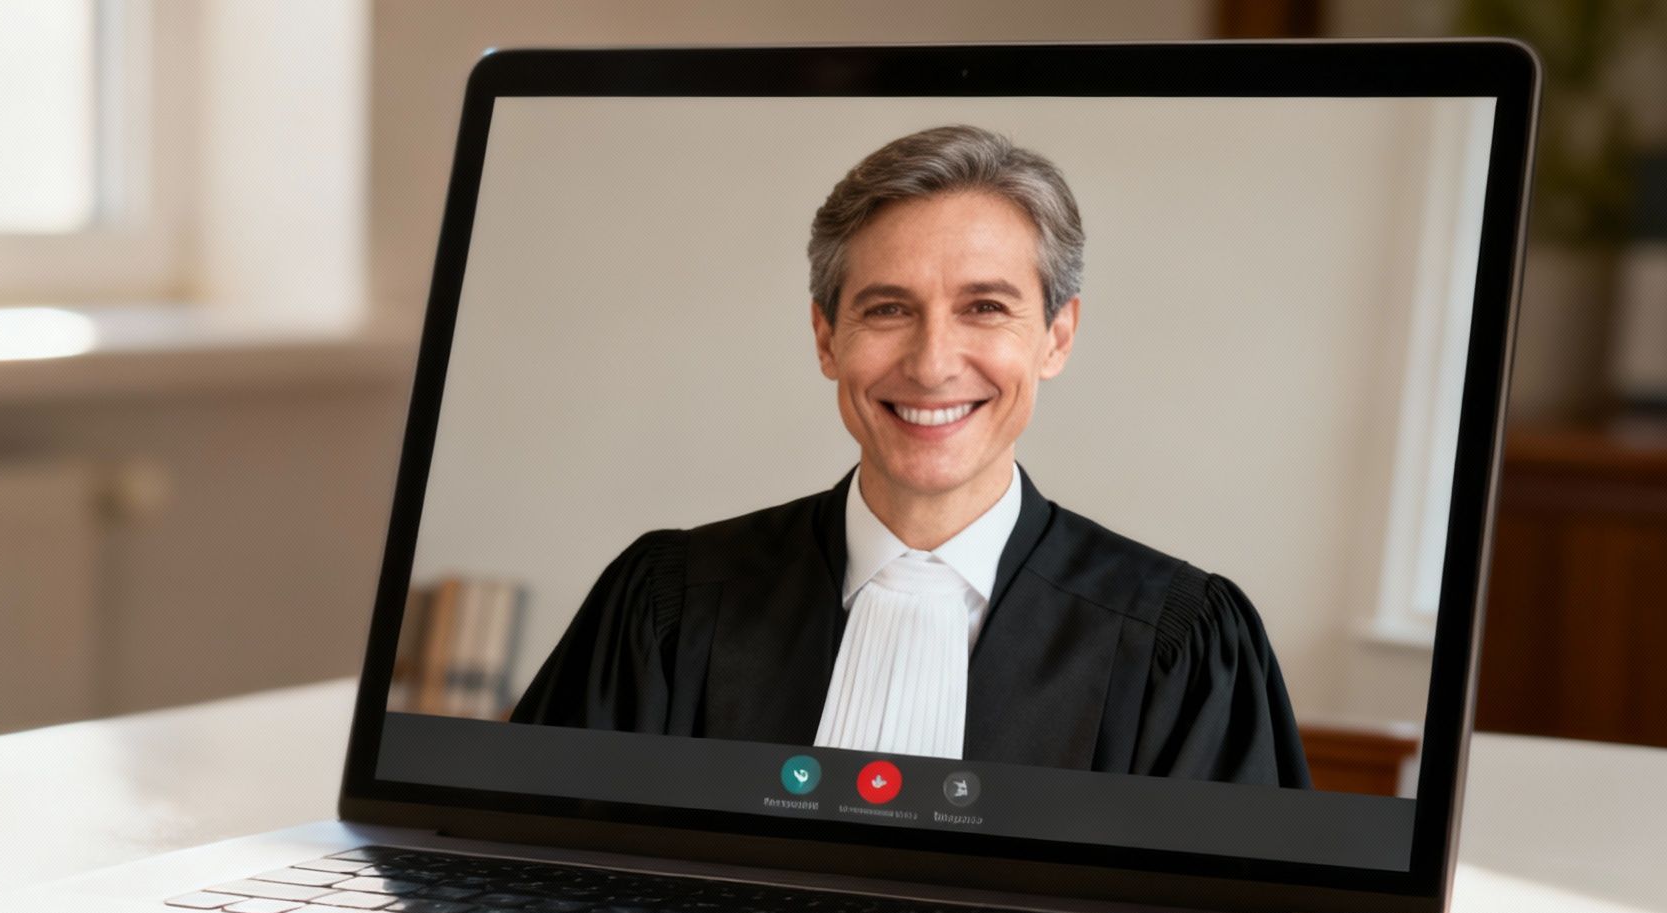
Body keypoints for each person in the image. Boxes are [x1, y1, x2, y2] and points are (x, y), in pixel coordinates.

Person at [510, 125, 1309, 788]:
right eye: (888, 309)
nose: (931, 364)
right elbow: (529, 872)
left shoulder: (1182, 647)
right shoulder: (667, 608)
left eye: (984, 308)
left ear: (1056, 337)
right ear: (827, 339)